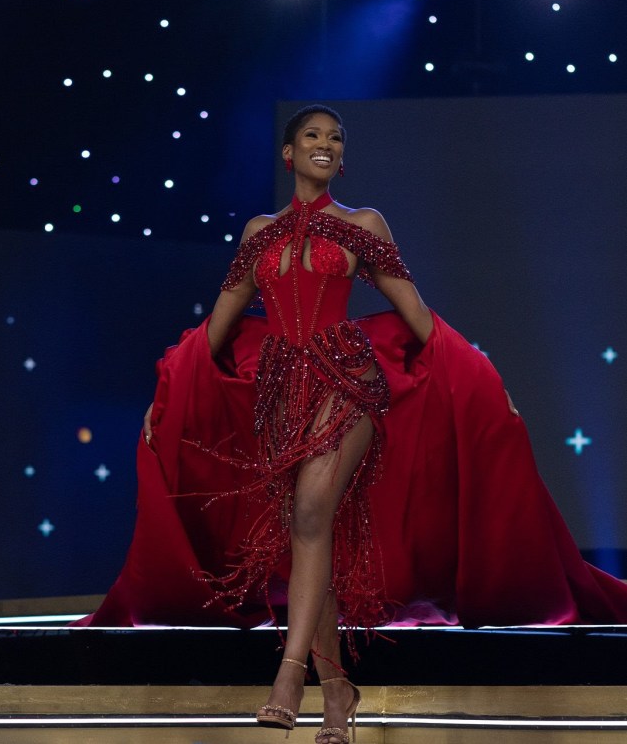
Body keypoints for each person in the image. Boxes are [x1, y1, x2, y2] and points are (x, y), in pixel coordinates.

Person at [77, 104, 627, 744]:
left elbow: (416, 315)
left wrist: (484, 379)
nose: (326, 145)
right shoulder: (260, 232)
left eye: (336, 139)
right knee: (310, 534)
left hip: (349, 379)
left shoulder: (362, 225)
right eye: (312, 136)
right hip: (282, 391)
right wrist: (167, 392)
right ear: (289, 155)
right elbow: (217, 327)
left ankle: (289, 677)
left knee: (311, 513)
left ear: (342, 158)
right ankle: (338, 690)